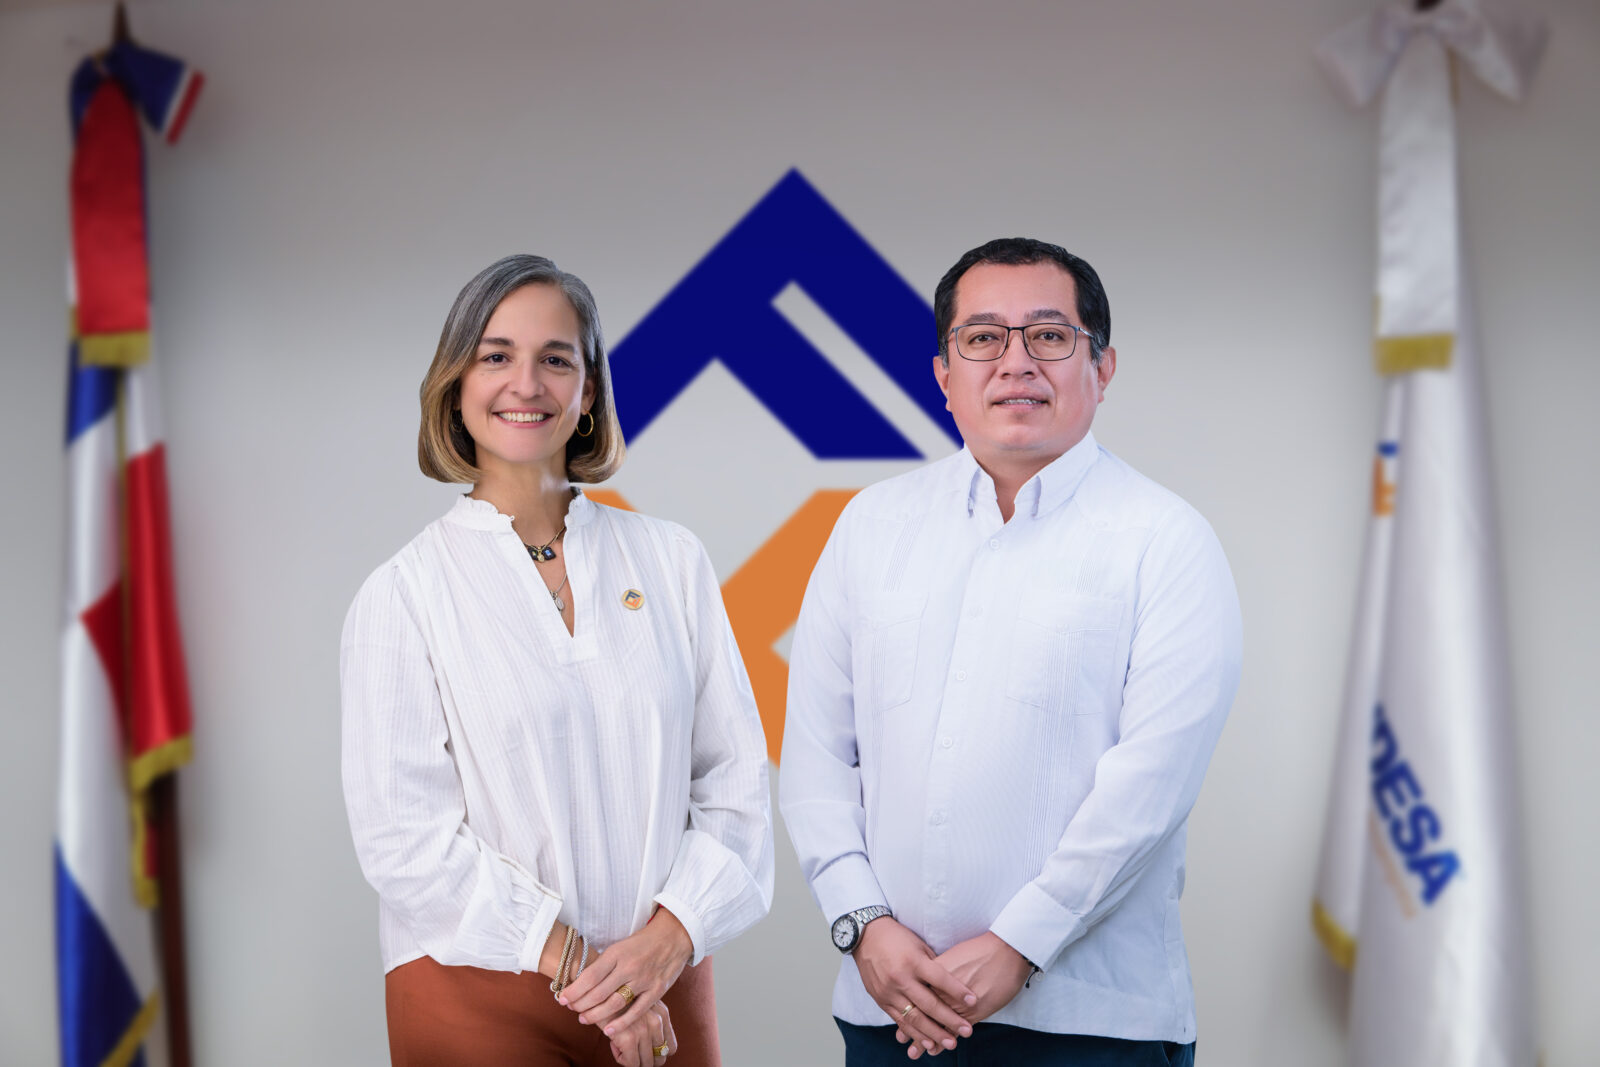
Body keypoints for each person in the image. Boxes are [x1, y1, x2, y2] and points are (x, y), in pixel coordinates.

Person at [780, 238, 1242, 1065]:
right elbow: (816, 758)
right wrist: (863, 924)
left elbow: (1150, 787)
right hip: (891, 1008)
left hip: (1089, 1024)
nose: (1016, 361)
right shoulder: (870, 526)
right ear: (943, 374)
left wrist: (1021, 943)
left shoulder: (1165, 540)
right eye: (983, 337)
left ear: (1102, 368)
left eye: (1050, 336)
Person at [341, 254, 773, 1067]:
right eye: (496, 356)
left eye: (556, 358)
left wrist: (667, 942)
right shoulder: (404, 593)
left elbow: (735, 786)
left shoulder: (671, 560)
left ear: (589, 391)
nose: (526, 383)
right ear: (455, 386)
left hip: (663, 978)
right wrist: (580, 964)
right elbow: (404, 839)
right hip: (477, 990)